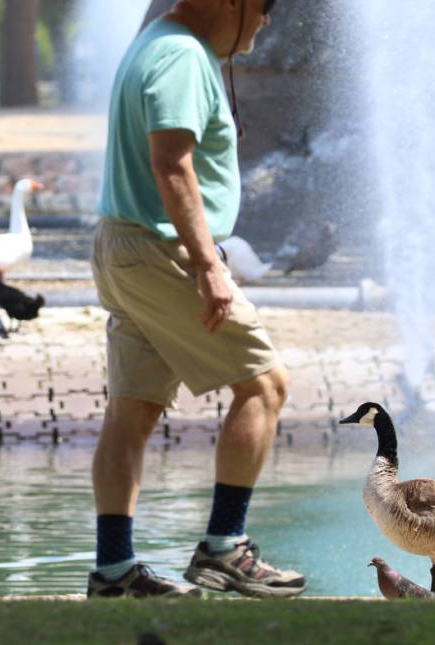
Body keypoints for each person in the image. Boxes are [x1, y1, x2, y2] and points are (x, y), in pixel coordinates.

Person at [88, 0, 306, 598]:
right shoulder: (182, 55)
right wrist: (209, 264)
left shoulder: (155, 41)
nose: (267, 18)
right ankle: (225, 547)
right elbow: (173, 165)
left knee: (131, 411)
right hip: (164, 251)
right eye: (263, 5)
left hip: (123, 243)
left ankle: (113, 571)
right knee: (265, 384)